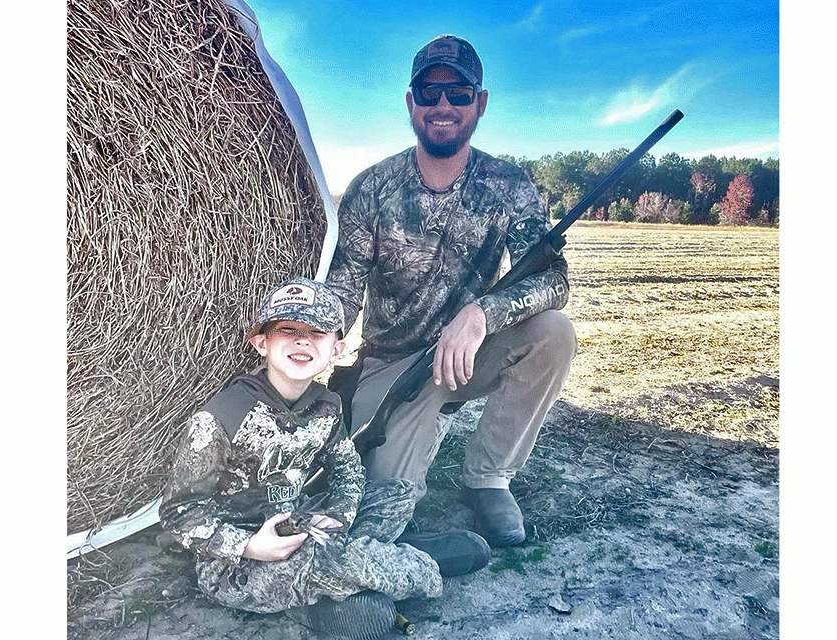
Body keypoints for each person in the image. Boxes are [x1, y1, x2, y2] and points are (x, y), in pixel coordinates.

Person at [325, 35, 578, 548]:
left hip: (470, 354)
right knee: (383, 505)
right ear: (411, 102)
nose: (443, 105)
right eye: (429, 92)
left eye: (458, 92)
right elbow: (341, 292)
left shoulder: (510, 186)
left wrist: (482, 313)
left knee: (553, 333)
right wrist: (306, 345)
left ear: (479, 103)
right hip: (393, 368)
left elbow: (553, 280)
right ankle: (418, 436)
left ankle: (489, 478)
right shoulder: (371, 188)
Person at [159, 277, 490, 640]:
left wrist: (336, 516)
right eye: (288, 330)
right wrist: (252, 546)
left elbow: (348, 471)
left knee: (396, 493)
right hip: (237, 564)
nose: (303, 341)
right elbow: (177, 513)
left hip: (303, 523)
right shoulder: (221, 416)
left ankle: (344, 577)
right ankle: (419, 567)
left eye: (317, 333)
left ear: (336, 350)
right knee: (327, 558)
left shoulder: (326, 405)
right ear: (261, 343)